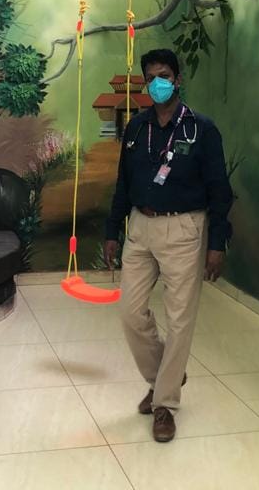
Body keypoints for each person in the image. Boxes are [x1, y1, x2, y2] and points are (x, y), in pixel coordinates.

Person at [104, 48, 234, 443]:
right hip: (140, 228)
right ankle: (165, 375)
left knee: (180, 320)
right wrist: (112, 230)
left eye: (164, 75)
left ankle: (165, 404)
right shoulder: (136, 129)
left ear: (177, 79)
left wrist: (217, 243)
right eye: (151, 78)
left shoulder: (202, 129)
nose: (157, 83)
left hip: (184, 230)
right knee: (130, 311)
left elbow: (220, 192)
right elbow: (123, 184)